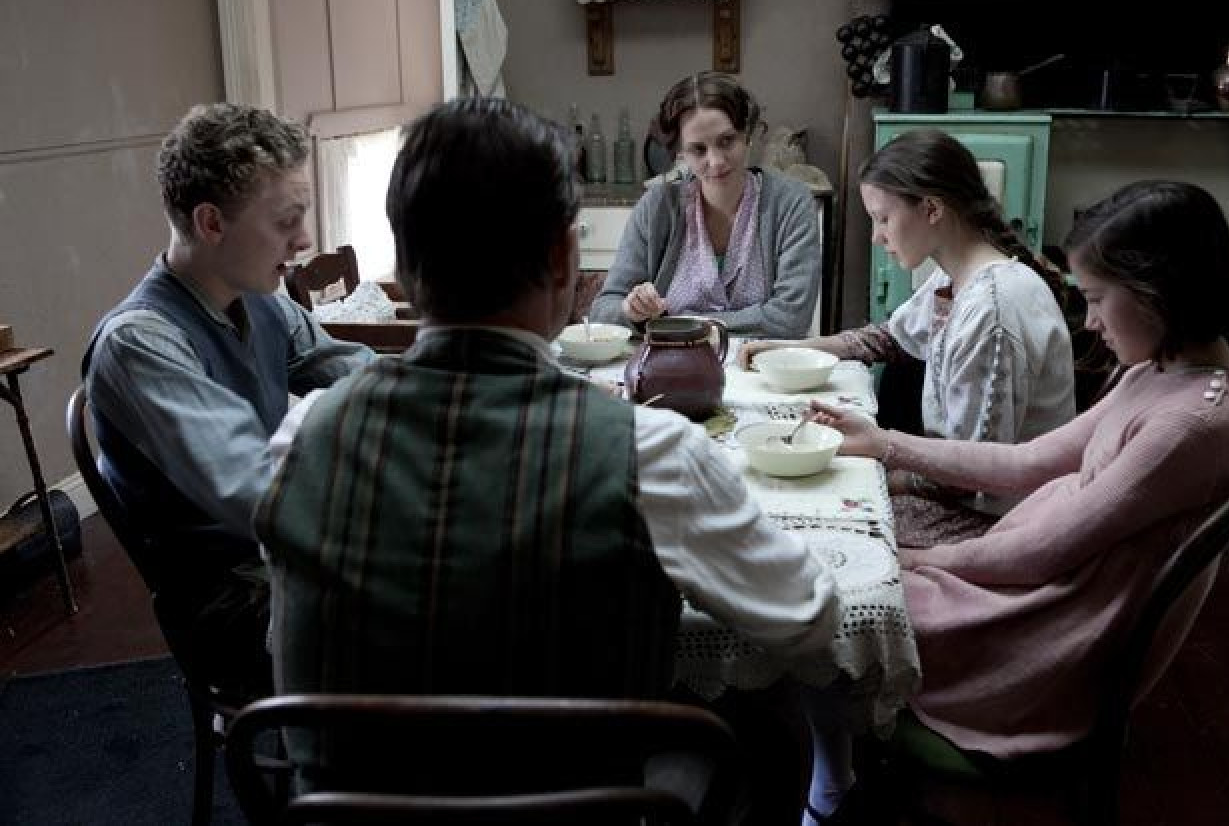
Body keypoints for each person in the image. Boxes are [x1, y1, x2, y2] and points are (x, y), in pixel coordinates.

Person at [256, 99, 839, 821]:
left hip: (351, 811)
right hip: (575, 808)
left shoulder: (302, 435)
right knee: (764, 708)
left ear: (403, 263)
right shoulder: (645, 450)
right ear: (567, 259)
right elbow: (808, 618)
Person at [810, 179, 1229, 766]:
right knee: (842, 564)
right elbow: (1028, 461)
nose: (1090, 322)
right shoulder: (1170, 368)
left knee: (837, 604)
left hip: (1044, 629)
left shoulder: (1191, 424)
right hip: (1032, 579)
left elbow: (1043, 554)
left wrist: (917, 561)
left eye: (1097, 299)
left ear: (1159, 293)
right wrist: (884, 444)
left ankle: (830, 780)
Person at [82, 102, 376, 698]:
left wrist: (463, 393)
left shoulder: (260, 299)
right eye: (285, 219)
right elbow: (251, 486)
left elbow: (359, 375)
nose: (305, 238)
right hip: (230, 603)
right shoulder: (139, 343)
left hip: (275, 559)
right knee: (450, 613)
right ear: (212, 223)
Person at [740, 128, 1076, 547]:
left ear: (932, 209)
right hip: (960, 491)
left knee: (819, 527)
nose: (878, 237)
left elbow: (973, 476)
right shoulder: (956, 277)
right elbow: (887, 339)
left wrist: (875, 461)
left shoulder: (993, 309)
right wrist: (790, 349)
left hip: (997, 519)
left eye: (884, 219)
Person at [588, 72, 822, 338]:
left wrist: (675, 324)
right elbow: (602, 311)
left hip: (762, 372)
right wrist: (629, 310)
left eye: (727, 141)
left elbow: (790, 320)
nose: (716, 161)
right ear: (681, 153)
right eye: (698, 150)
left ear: (747, 135)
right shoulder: (657, 207)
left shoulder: (790, 203)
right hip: (671, 368)